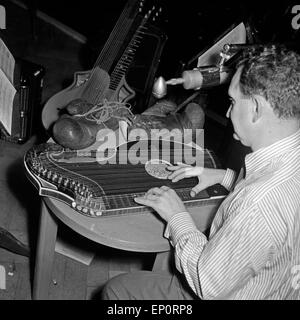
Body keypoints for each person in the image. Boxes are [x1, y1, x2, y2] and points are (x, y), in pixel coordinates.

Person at [101, 45, 300, 300]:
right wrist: (223, 177)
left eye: (232, 102)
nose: (228, 113)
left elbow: (207, 284)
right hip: (278, 286)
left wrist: (177, 215)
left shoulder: (257, 204)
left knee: (117, 292)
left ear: (257, 109)